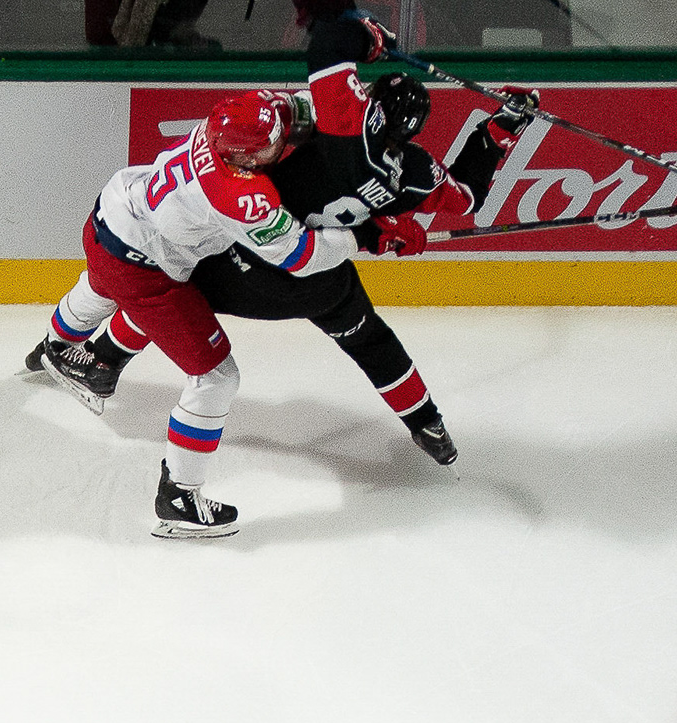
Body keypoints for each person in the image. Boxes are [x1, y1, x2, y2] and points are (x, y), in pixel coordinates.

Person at [37, 12, 537, 476]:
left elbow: (325, 51)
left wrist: (367, 36)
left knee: (170, 289)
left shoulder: (324, 121)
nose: (287, 138)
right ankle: (427, 422)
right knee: (370, 339)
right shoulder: (417, 174)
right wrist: (496, 130)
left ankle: (98, 357)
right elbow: (464, 196)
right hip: (316, 275)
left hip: (229, 258)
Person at [30, 87, 362, 537]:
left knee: (98, 284)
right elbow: (300, 257)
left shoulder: (235, 120)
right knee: (217, 377)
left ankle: (53, 346)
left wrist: (362, 100)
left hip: (110, 214)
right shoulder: (237, 194)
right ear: (243, 159)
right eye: (267, 147)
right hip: (141, 266)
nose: (277, 144)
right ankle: (180, 497)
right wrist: (365, 239)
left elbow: (303, 103)